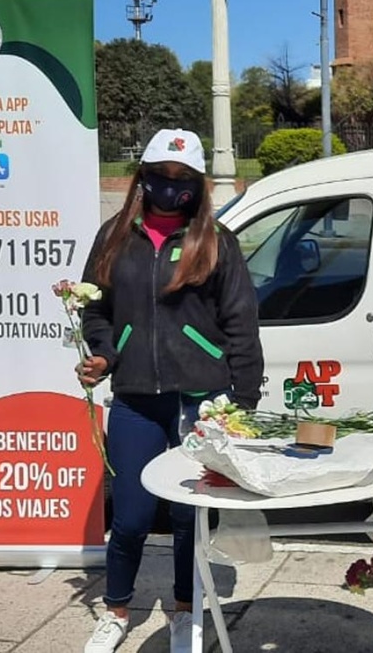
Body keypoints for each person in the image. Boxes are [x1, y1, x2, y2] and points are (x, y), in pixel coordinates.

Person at [79, 128, 264, 653]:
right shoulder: (114, 236)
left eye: (184, 179)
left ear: (199, 184)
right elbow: (96, 309)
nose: (172, 186)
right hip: (136, 396)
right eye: (162, 175)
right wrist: (103, 354)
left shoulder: (216, 241)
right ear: (144, 175)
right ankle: (116, 610)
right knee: (133, 515)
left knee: (188, 517)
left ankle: (186, 611)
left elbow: (241, 325)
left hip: (201, 399)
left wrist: (243, 405)